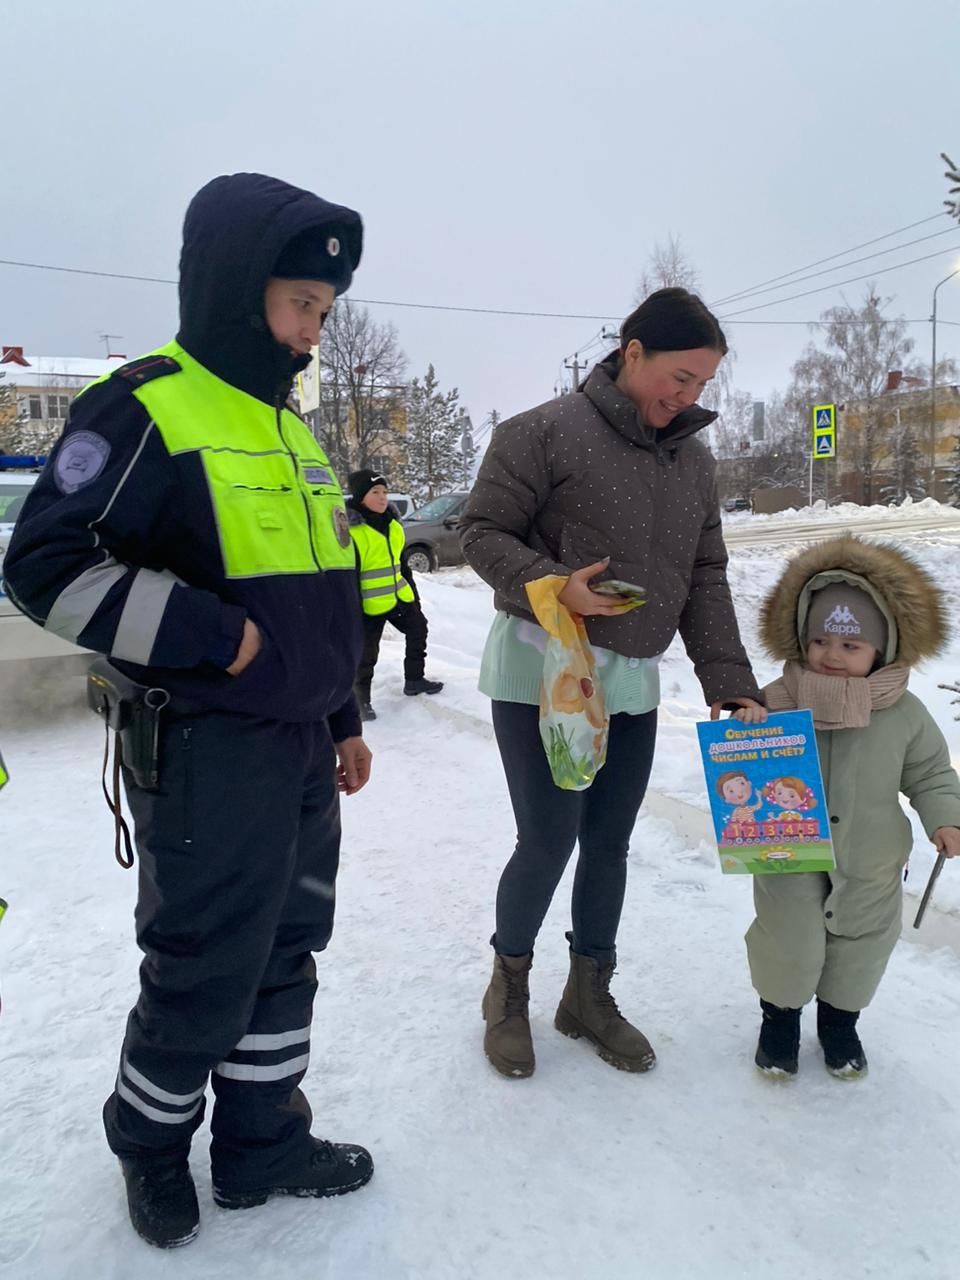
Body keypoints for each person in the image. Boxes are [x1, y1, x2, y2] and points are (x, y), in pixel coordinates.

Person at [2, 173, 376, 1248]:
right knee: (205, 958)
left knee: (287, 948)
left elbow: (322, 590)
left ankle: (262, 1145)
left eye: (324, 311)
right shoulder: (147, 404)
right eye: (300, 303)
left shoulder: (290, 431)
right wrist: (216, 637)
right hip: (210, 753)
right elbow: (44, 566)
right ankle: (152, 1147)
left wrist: (344, 715)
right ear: (232, 286)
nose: (312, 330)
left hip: (301, 749)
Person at [459, 287, 762, 1079]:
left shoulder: (692, 459)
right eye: (679, 376)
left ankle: (589, 994)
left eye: (702, 385)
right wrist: (555, 584)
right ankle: (509, 991)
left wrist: (731, 679)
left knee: (610, 843)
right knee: (550, 835)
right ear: (633, 352)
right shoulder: (542, 432)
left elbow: (706, 574)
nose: (687, 396)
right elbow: (480, 532)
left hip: (629, 685)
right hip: (543, 673)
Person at [734, 534, 960, 1079]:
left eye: (850, 646)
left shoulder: (904, 713)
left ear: (880, 649)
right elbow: (742, 768)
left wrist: (945, 816)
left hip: (871, 859)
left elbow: (929, 772)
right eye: (819, 642)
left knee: (859, 946)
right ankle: (779, 1021)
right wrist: (745, 728)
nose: (831, 656)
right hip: (788, 856)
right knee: (787, 940)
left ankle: (840, 1024)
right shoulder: (778, 700)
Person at [346, 468, 443, 719]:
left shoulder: (394, 526)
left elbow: (403, 567)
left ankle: (414, 680)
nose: (382, 498)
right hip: (367, 605)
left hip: (399, 597)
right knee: (367, 655)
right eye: (375, 492)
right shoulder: (352, 533)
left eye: (385, 492)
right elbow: (347, 578)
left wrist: (415, 598)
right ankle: (361, 701)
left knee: (418, 629)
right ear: (359, 497)